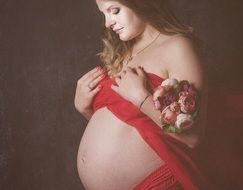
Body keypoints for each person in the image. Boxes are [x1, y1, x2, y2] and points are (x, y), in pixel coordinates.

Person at [74, 0, 210, 189]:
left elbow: (191, 138)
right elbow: (131, 125)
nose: (107, 23)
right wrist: (85, 109)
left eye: (114, 10)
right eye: (103, 14)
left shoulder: (177, 47)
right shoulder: (122, 53)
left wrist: (141, 98)